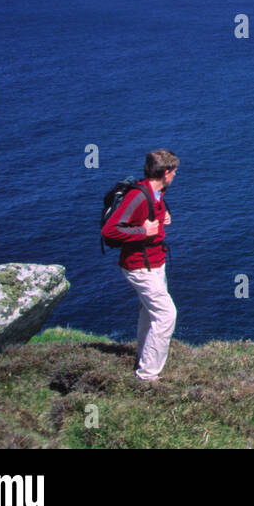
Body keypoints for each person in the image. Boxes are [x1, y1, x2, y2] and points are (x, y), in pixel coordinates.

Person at [101, 150, 178, 382]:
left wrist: (166, 216)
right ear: (165, 173)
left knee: (149, 312)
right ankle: (147, 377)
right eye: (174, 172)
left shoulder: (156, 191)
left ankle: (143, 359)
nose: (175, 176)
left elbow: (154, 210)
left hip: (154, 262)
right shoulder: (138, 196)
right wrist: (143, 231)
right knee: (166, 315)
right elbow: (109, 231)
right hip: (140, 266)